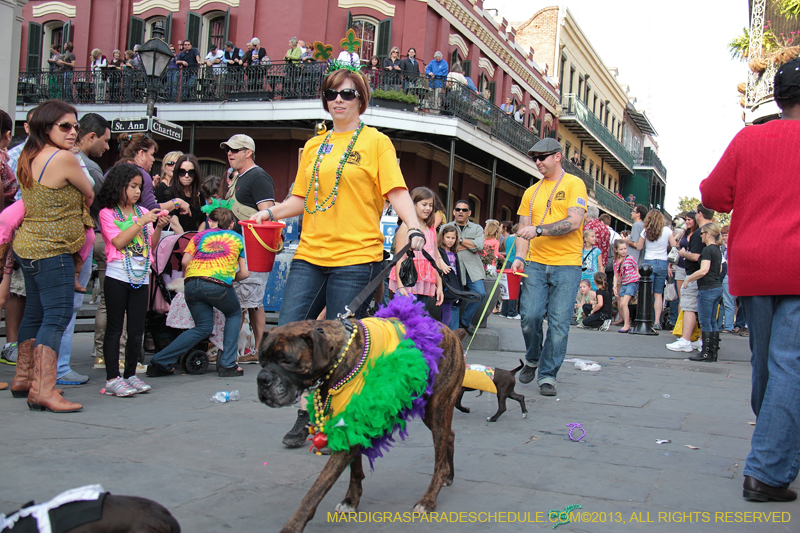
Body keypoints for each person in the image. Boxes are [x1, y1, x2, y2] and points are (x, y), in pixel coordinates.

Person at [249, 67, 425, 448]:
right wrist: (270, 213)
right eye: (331, 94)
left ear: (361, 98)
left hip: (357, 255)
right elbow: (300, 198)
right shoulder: (315, 146)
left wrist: (413, 226)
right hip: (310, 253)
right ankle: (304, 413)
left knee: (342, 345)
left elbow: (396, 191)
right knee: (291, 332)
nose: (338, 100)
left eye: (347, 93)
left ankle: (335, 419)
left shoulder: (377, 142)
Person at [700, 57, 800, 502]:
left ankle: (773, 442)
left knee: (767, 363)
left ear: (777, 97)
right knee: (789, 364)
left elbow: (713, 194)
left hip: (755, 264)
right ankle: (765, 470)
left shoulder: (750, 138)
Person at [9, 99, 93, 412]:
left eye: (76, 126)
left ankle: (23, 378)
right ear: (47, 128)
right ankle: (44, 389)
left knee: (35, 313)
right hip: (52, 248)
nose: (73, 133)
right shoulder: (63, 158)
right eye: (65, 127)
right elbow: (89, 190)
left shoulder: (27, 155)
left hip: (28, 246)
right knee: (56, 316)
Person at [511, 137, 588, 396]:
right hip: (534, 263)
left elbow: (574, 222)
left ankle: (548, 375)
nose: (538, 162)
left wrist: (540, 230)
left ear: (557, 157)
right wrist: (519, 257)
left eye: (542, 157)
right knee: (530, 317)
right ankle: (533, 358)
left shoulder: (574, 184)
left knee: (558, 323)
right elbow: (524, 229)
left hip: (567, 265)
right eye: (535, 158)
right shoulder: (530, 192)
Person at [147, 207, 248, 378]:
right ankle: (228, 364)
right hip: (218, 284)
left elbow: (185, 261)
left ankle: (160, 362)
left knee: (202, 327)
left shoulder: (198, 236)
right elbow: (245, 273)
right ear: (231, 224)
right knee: (234, 313)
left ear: (210, 222)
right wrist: (228, 276)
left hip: (192, 283)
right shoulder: (237, 238)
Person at [97, 163, 169, 397]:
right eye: (133, 186)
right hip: (117, 274)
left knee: (137, 329)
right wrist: (142, 221)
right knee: (115, 328)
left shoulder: (141, 212)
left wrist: (157, 226)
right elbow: (117, 242)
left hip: (141, 275)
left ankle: (130, 375)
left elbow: (151, 245)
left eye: (140, 187)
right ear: (120, 186)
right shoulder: (107, 213)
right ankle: (112, 378)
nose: (138, 192)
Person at [220, 134, 275, 359]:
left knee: (249, 300)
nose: (230, 154)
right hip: (239, 248)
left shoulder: (258, 177)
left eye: (235, 150)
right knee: (249, 301)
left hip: (252, 250)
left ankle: (244, 350)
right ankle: (254, 349)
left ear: (248, 152)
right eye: (228, 150)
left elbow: (268, 214)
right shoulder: (238, 177)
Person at [666, 205, 713, 352]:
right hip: (703, 276)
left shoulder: (701, 232)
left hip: (694, 274)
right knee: (698, 308)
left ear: (699, 214)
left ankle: (686, 339)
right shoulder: (711, 231)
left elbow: (699, 256)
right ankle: (698, 340)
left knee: (688, 307)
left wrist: (685, 254)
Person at [389, 186, 443, 304]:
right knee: (404, 318)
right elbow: (399, 258)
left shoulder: (430, 228)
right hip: (407, 279)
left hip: (425, 280)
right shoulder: (406, 227)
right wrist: (400, 286)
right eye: (424, 204)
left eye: (431, 205)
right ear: (413, 204)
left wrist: (439, 286)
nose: (428, 208)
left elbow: (435, 258)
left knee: (418, 316)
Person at [116, 133, 190, 218]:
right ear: (141, 154)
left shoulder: (112, 171)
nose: (153, 159)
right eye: (151, 154)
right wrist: (177, 202)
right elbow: (150, 209)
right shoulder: (142, 175)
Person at [442, 201, 485, 335]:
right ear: (454, 211)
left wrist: (459, 240)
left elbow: (479, 246)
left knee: (480, 293)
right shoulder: (446, 227)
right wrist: (469, 245)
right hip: (453, 270)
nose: (461, 212)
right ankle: (454, 333)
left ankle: (465, 321)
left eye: (464, 210)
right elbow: (442, 246)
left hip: (472, 270)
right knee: (454, 300)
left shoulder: (477, 228)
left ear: (469, 213)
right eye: (458, 209)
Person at [631, 209, 677, 330]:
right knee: (658, 294)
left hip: (648, 262)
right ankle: (657, 321)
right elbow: (674, 246)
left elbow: (639, 247)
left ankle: (647, 318)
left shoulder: (645, 231)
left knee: (647, 292)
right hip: (662, 261)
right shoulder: (667, 230)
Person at [684, 223, 723, 363]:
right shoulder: (717, 250)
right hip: (717, 287)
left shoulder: (707, 250)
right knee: (713, 321)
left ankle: (705, 352)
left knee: (705, 321)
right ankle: (712, 352)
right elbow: (718, 270)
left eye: (702, 233)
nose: (700, 235)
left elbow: (704, 270)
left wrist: (689, 279)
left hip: (707, 288)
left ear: (708, 234)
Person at [163, 154, 206, 233]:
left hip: (195, 240)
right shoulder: (169, 193)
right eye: (182, 172)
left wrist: (197, 240)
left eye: (191, 172)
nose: (186, 176)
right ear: (177, 172)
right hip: (177, 240)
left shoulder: (199, 194)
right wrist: (184, 242)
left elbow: (203, 221)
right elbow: (173, 222)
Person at [437, 225, 463, 327]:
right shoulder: (440, 252)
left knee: (447, 313)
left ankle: (442, 335)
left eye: (453, 238)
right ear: (442, 237)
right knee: (447, 314)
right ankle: (444, 336)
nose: (450, 240)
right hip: (446, 287)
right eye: (448, 237)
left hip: (454, 285)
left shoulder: (453, 252)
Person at [612, 239, 639, 333]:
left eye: (625, 249)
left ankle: (626, 324)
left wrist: (638, 276)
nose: (623, 251)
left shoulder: (630, 258)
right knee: (622, 304)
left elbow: (636, 268)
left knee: (624, 303)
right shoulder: (616, 262)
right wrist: (614, 286)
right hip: (624, 283)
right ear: (616, 250)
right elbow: (616, 274)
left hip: (632, 282)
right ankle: (627, 322)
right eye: (621, 249)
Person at [499, 222, 520, 319]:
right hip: (514, 263)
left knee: (506, 289)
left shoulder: (508, 238)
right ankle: (512, 312)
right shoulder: (518, 238)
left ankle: (504, 311)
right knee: (513, 289)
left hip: (506, 263)